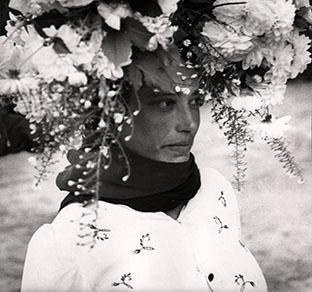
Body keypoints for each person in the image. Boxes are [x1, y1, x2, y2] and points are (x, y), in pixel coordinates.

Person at [21, 51, 267, 292]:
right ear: (113, 113)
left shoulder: (214, 189)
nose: (189, 124)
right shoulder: (71, 239)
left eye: (195, 101)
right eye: (164, 103)